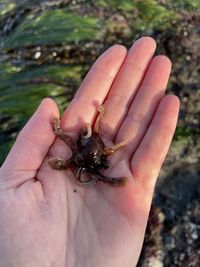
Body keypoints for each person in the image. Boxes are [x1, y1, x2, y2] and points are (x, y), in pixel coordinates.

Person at [0, 37, 179, 267]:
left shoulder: (90, 149)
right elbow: (87, 141)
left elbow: (93, 140)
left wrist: (80, 127)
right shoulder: (86, 151)